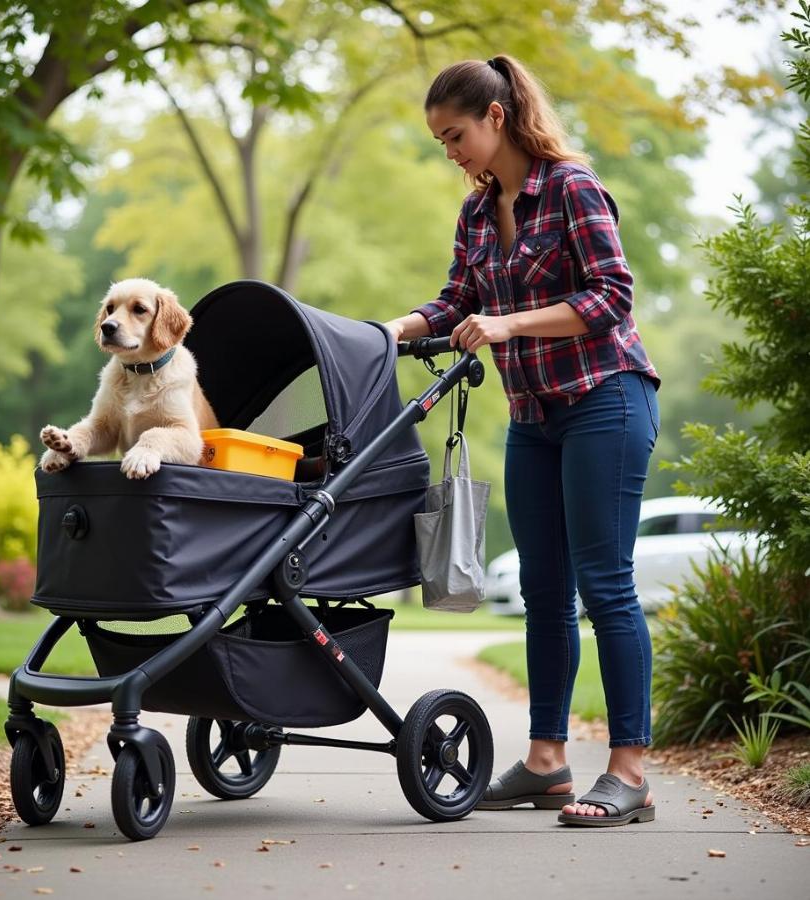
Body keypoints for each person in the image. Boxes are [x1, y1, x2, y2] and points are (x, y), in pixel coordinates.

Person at [384, 55, 661, 827]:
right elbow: (455, 302)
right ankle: (546, 763)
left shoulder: (570, 188)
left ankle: (629, 771)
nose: (451, 152)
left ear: (496, 117)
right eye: (441, 141)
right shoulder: (477, 214)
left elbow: (611, 297)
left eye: (456, 134)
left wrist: (507, 324)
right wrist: (388, 331)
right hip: (535, 418)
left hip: (606, 398)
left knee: (605, 584)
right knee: (543, 592)